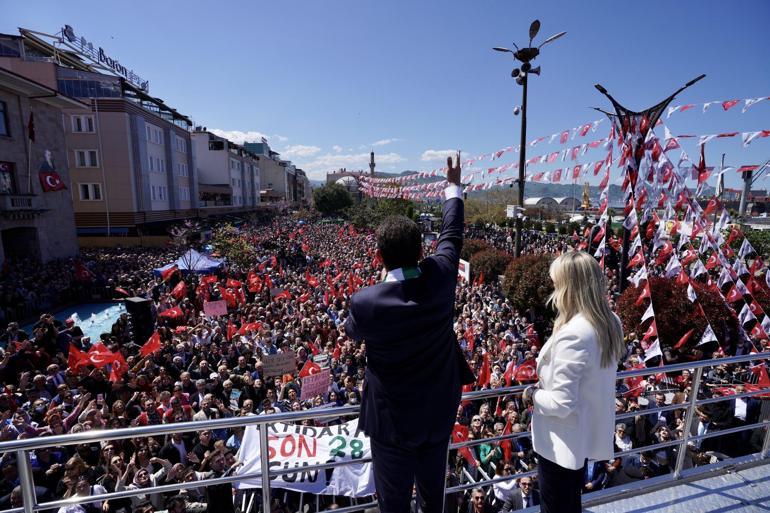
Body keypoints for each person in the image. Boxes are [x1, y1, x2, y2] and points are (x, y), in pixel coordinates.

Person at [344, 153, 475, 513]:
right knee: (434, 497)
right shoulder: (443, 276)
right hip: (438, 414)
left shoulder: (365, 302)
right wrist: (453, 184)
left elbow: (353, 333)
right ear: (421, 250)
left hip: (391, 423)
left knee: (394, 502)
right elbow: (451, 233)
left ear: (378, 257)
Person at [522, 251, 624, 513]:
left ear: (570, 286)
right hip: (582, 435)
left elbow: (561, 402)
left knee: (556, 506)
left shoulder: (576, 333)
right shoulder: (611, 321)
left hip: (560, 442)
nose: (554, 291)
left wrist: (531, 394)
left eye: (556, 283)